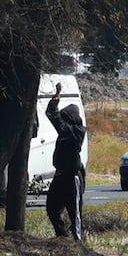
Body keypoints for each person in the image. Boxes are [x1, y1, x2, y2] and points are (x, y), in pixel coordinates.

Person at [45, 82, 87, 241]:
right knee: (52, 208)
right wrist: (54, 102)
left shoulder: (75, 132)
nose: (62, 121)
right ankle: (62, 237)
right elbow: (54, 119)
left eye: (65, 118)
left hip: (72, 177)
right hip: (60, 176)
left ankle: (78, 243)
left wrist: (54, 108)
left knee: (75, 213)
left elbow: (58, 122)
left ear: (71, 119)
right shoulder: (66, 131)